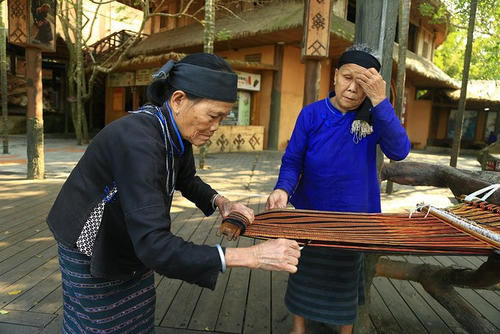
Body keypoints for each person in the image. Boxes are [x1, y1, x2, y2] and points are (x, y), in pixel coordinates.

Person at [46, 53, 300, 333]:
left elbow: (186, 178)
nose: (215, 127)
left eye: (223, 118)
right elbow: (155, 245)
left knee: (135, 318)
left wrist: (221, 202)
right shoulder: (138, 141)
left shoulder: (176, 130)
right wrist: (253, 256)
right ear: (178, 100)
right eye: (212, 116)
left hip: (132, 235)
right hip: (92, 237)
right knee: (97, 323)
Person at [266, 45, 410, 334]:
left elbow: (400, 150)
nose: (353, 88)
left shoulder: (375, 116)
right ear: (334, 76)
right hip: (312, 214)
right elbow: (293, 160)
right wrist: (282, 189)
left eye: (363, 83)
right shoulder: (312, 114)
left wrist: (380, 100)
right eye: (347, 77)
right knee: (304, 272)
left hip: (354, 220)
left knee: (345, 279)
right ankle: (298, 329)